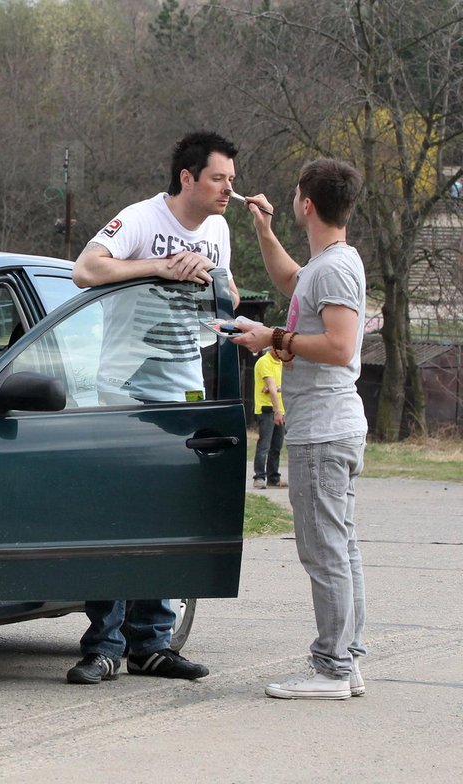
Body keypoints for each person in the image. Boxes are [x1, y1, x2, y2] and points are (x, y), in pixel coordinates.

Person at [63, 131, 243, 684]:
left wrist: (210, 278)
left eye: (232, 181)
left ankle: (153, 644)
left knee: (169, 520)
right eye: (218, 179)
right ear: (187, 177)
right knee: (117, 518)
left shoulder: (219, 229)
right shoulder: (140, 220)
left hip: (185, 389)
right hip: (126, 390)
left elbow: (229, 299)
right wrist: (160, 269)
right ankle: (103, 646)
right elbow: (85, 270)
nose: (227, 190)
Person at [231, 159, 368, 700]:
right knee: (341, 547)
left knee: (325, 551)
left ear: (306, 203)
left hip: (323, 431)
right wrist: (264, 230)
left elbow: (339, 346)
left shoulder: (334, 269)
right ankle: (349, 659)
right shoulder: (325, 265)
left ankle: (331, 668)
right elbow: (292, 280)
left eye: (292, 197)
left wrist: (274, 338)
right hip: (331, 428)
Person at [252, 346, 287, 490]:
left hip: (282, 409)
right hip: (267, 409)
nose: (283, 354)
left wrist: (278, 388)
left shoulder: (281, 362)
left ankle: (274, 477)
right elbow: (272, 388)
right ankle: (259, 477)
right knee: (264, 444)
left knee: (277, 446)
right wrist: (276, 410)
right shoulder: (264, 362)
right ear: (273, 348)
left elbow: (280, 386)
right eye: (280, 350)